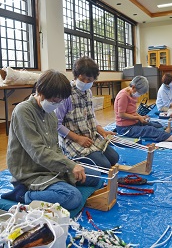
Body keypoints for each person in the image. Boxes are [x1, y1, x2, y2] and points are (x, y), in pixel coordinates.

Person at [2, 69, 101, 211]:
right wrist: (70, 166)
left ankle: (58, 184)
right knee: (72, 197)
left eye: (60, 101)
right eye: (55, 101)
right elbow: (38, 152)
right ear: (40, 92)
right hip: (30, 173)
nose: (57, 104)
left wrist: (68, 166)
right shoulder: (23, 111)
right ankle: (23, 195)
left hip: (49, 167)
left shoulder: (50, 114)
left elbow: (55, 148)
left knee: (94, 175)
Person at [55, 56, 119, 168]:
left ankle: (92, 154)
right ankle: (72, 157)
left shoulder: (88, 92)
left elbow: (91, 116)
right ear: (76, 76)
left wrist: (102, 131)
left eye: (89, 80)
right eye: (82, 79)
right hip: (72, 139)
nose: (85, 82)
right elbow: (56, 124)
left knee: (114, 158)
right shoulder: (66, 95)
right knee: (105, 165)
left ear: (94, 79)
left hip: (89, 136)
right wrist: (77, 138)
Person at [114, 75, 172, 143]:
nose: (139, 95)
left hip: (134, 123)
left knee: (155, 124)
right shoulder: (123, 96)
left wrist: (140, 116)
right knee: (149, 130)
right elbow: (121, 114)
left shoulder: (132, 94)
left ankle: (163, 132)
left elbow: (132, 112)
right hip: (125, 128)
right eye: (139, 93)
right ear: (133, 87)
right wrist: (138, 117)